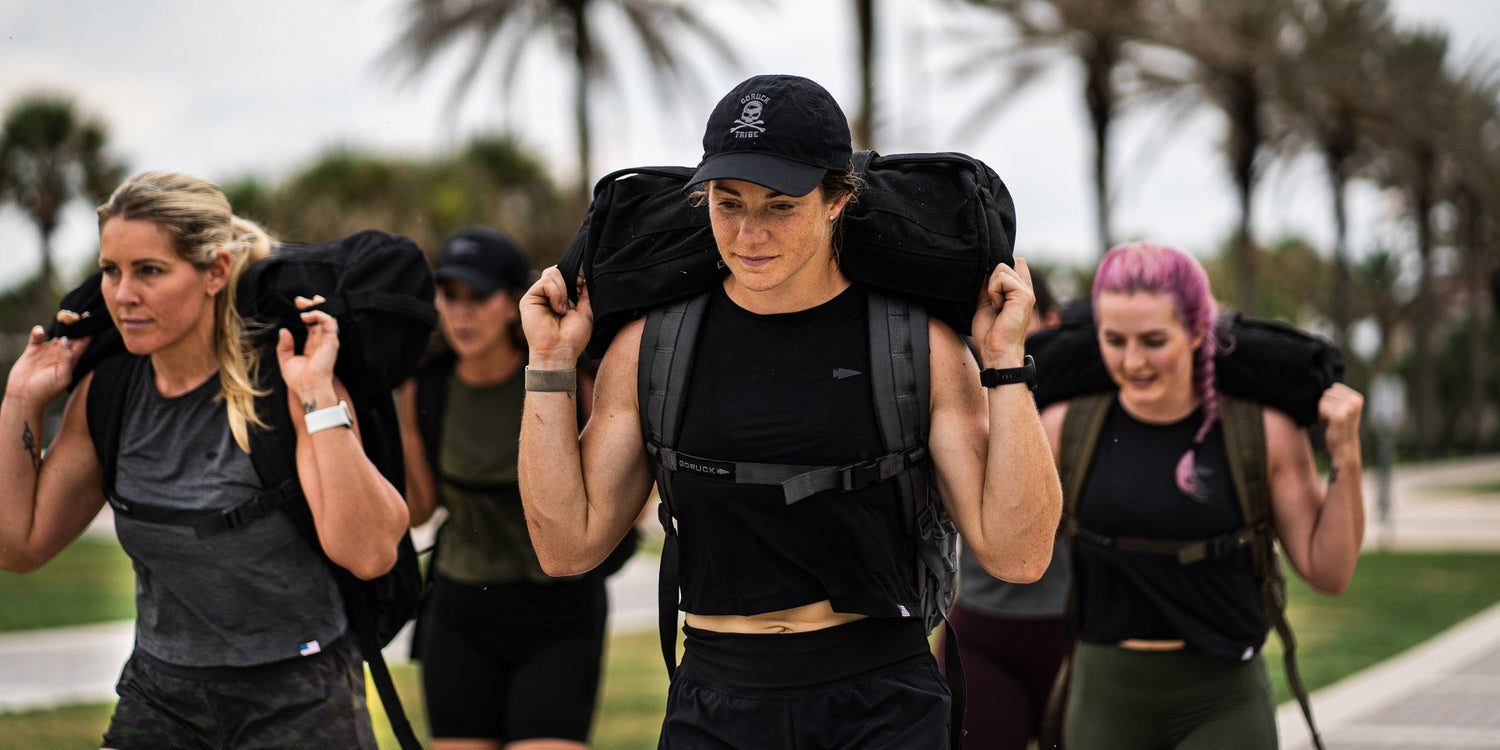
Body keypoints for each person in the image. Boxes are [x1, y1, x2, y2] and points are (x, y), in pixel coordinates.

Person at [517, 73, 1062, 749]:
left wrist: (1005, 363)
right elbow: (565, 547)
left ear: (838, 197)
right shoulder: (651, 347)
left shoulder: (914, 345)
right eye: (728, 202)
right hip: (714, 706)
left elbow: (1019, 554)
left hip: (882, 706)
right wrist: (549, 366)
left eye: (780, 205)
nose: (749, 233)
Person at [0, 171, 409, 748]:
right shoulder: (110, 392)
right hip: (163, 697)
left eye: (150, 271)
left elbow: (369, 553)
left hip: (300, 697)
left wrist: (318, 395)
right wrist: (20, 398)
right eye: (111, 270)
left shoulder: (288, 380)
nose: (122, 295)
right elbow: (19, 545)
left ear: (216, 271)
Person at [1046, 241, 1364, 749]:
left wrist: (1346, 454)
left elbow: (1330, 571)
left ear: (1197, 330)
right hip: (1104, 696)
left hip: (1224, 702)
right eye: (1114, 339)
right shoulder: (1067, 427)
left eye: (1153, 340)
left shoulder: (1263, 430)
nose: (1132, 362)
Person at [397, 227, 609, 750]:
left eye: (479, 296)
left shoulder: (569, 377)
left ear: (513, 301)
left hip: (559, 613)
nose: (462, 313)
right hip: (460, 610)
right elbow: (420, 509)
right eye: (450, 295)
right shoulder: (423, 388)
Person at [942, 265, 1071, 750]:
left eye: (1017, 313)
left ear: (1051, 319)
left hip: (1077, 629)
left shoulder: (1084, 403)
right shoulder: (963, 389)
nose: (1000, 327)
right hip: (982, 627)